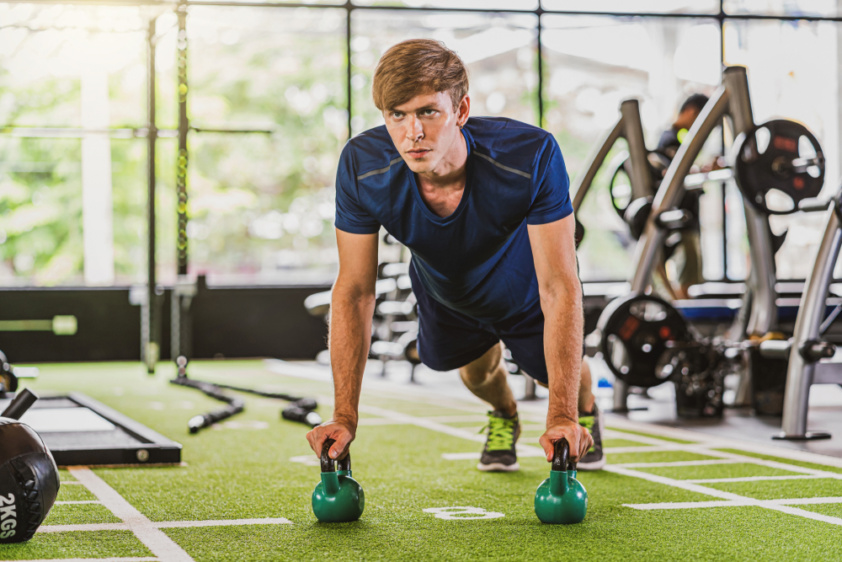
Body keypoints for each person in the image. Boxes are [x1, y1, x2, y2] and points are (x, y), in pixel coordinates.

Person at [306, 39, 604, 474]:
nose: (414, 133)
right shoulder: (362, 166)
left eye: (428, 111)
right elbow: (353, 291)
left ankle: (588, 408)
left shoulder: (531, 155)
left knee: (567, 384)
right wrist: (343, 416)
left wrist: (562, 416)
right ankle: (505, 415)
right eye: (398, 115)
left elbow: (560, 284)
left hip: (524, 291)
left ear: (461, 111)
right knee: (477, 376)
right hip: (448, 294)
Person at [652, 93, 710, 300]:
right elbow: (673, 174)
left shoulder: (674, 140)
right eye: (700, 117)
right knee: (686, 282)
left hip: (683, 217)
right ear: (691, 112)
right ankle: (682, 310)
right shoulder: (668, 139)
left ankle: (680, 303)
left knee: (687, 280)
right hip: (680, 218)